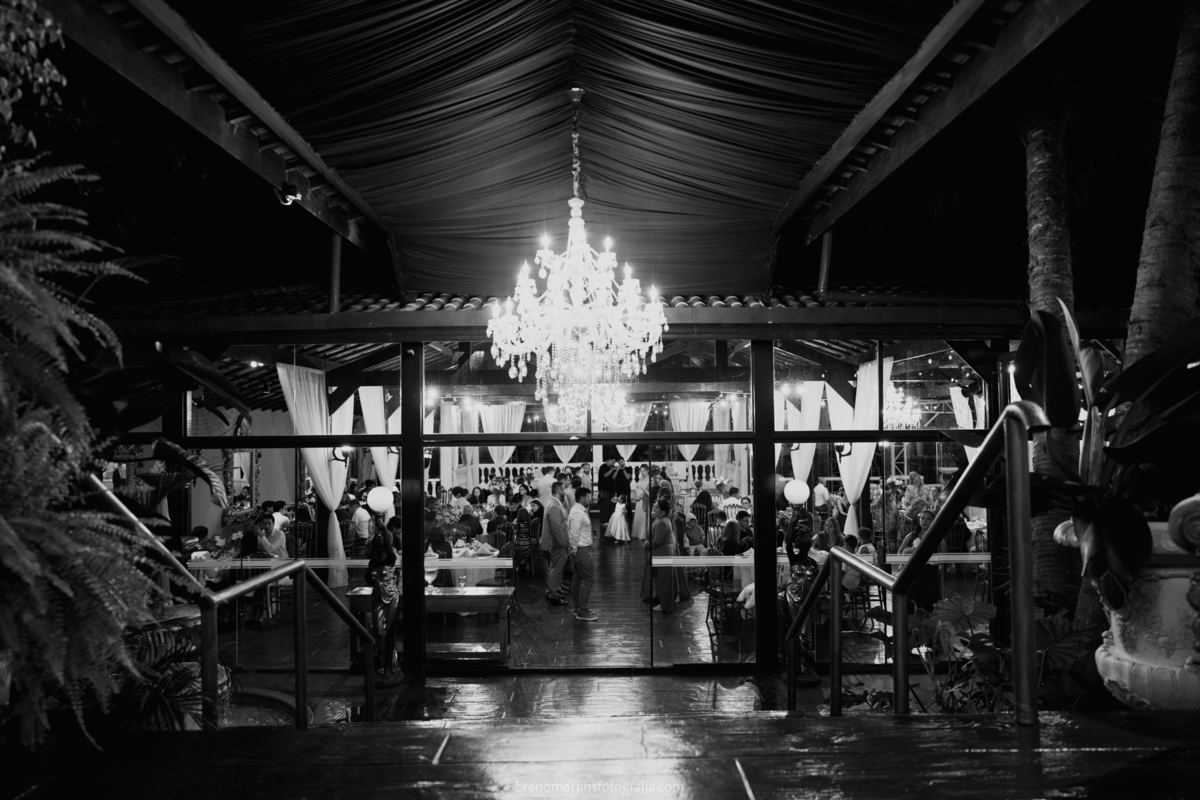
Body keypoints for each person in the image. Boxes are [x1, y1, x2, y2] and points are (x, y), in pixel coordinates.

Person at [641, 497, 691, 612]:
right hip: (660, 554)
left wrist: (647, 544)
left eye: (656, 508)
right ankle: (662, 601)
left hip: (662, 554)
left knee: (664, 581)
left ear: (663, 511)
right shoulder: (661, 520)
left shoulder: (662, 522)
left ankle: (665, 605)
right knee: (661, 580)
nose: (653, 509)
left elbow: (657, 541)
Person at [367, 522, 400, 676]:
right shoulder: (373, 561)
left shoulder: (391, 557)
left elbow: (387, 547)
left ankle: (389, 665)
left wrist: (384, 528)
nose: (381, 539)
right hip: (378, 597)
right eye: (378, 537)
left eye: (384, 538)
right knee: (379, 631)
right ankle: (382, 662)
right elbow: (368, 579)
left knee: (390, 632)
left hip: (391, 596)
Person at [568, 486, 596, 621]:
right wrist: (574, 549)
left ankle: (578, 608)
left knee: (578, 579)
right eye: (588, 497)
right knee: (588, 579)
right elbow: (574, 532)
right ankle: (581, 610)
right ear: (583, 498)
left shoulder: (579, 510)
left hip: (581, 548)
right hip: (581, 549)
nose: (590, 499)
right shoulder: (577, 512)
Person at [544, 482, 570, 605]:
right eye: (564, 490)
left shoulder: (554, 503)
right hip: (558, 543)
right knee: (556, 568)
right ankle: (553, 594)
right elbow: (556, 527)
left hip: (557, 542)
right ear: (559, 490)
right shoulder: (554, 505)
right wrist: (563, 542)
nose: (565, 492)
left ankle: (554, 589)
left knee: (555, 567)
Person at [506, 495, 534, 579]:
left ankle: (512, 566)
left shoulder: (517, 524)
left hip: (519, 546)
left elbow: (513, 531)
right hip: (528, 545)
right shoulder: (529, 524)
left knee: (510, 549)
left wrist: (514, 523)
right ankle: (522, 565)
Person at [630, 468, 650, 541]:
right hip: (638, 500)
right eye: (641, 471)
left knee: (643, 515)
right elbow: (636, 488)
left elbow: (646, 491)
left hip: (643, 499)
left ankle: (643, 533)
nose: (642, 472)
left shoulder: (649, 479)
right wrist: (635, 496)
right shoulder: (641, 478)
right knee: (638, 515)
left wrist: (639, 497)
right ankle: (637, 532)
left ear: (647, 471)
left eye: (643, 470)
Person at [597, 458, 616, 524]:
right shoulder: (603, 467)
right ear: (608, 460)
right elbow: (605, 475)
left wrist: (617, 470)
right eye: (613, 461)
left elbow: (613, 477)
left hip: (611, 489)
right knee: (604, 505)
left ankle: (610, 520)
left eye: (614, 462)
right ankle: (603, 521)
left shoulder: (613, 467)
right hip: (604, 489)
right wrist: (612, 469)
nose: (614, 463)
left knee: (611, 506)